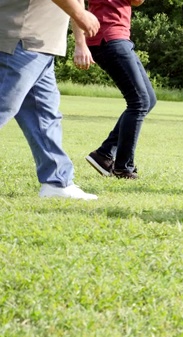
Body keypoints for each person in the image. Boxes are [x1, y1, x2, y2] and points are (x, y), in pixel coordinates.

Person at [0, 0, 100, 200]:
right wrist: (81, 15)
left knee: (44, 115)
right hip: (22, 38)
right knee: (4, 106)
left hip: (42, 45)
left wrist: (80, 42)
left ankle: (57, 182)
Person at [74, 0, 156, 179]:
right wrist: (80, 44)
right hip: (109, 37)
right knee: (139, 102)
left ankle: (104, 154)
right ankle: (123, 167)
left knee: (148, 99)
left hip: (117, 37)